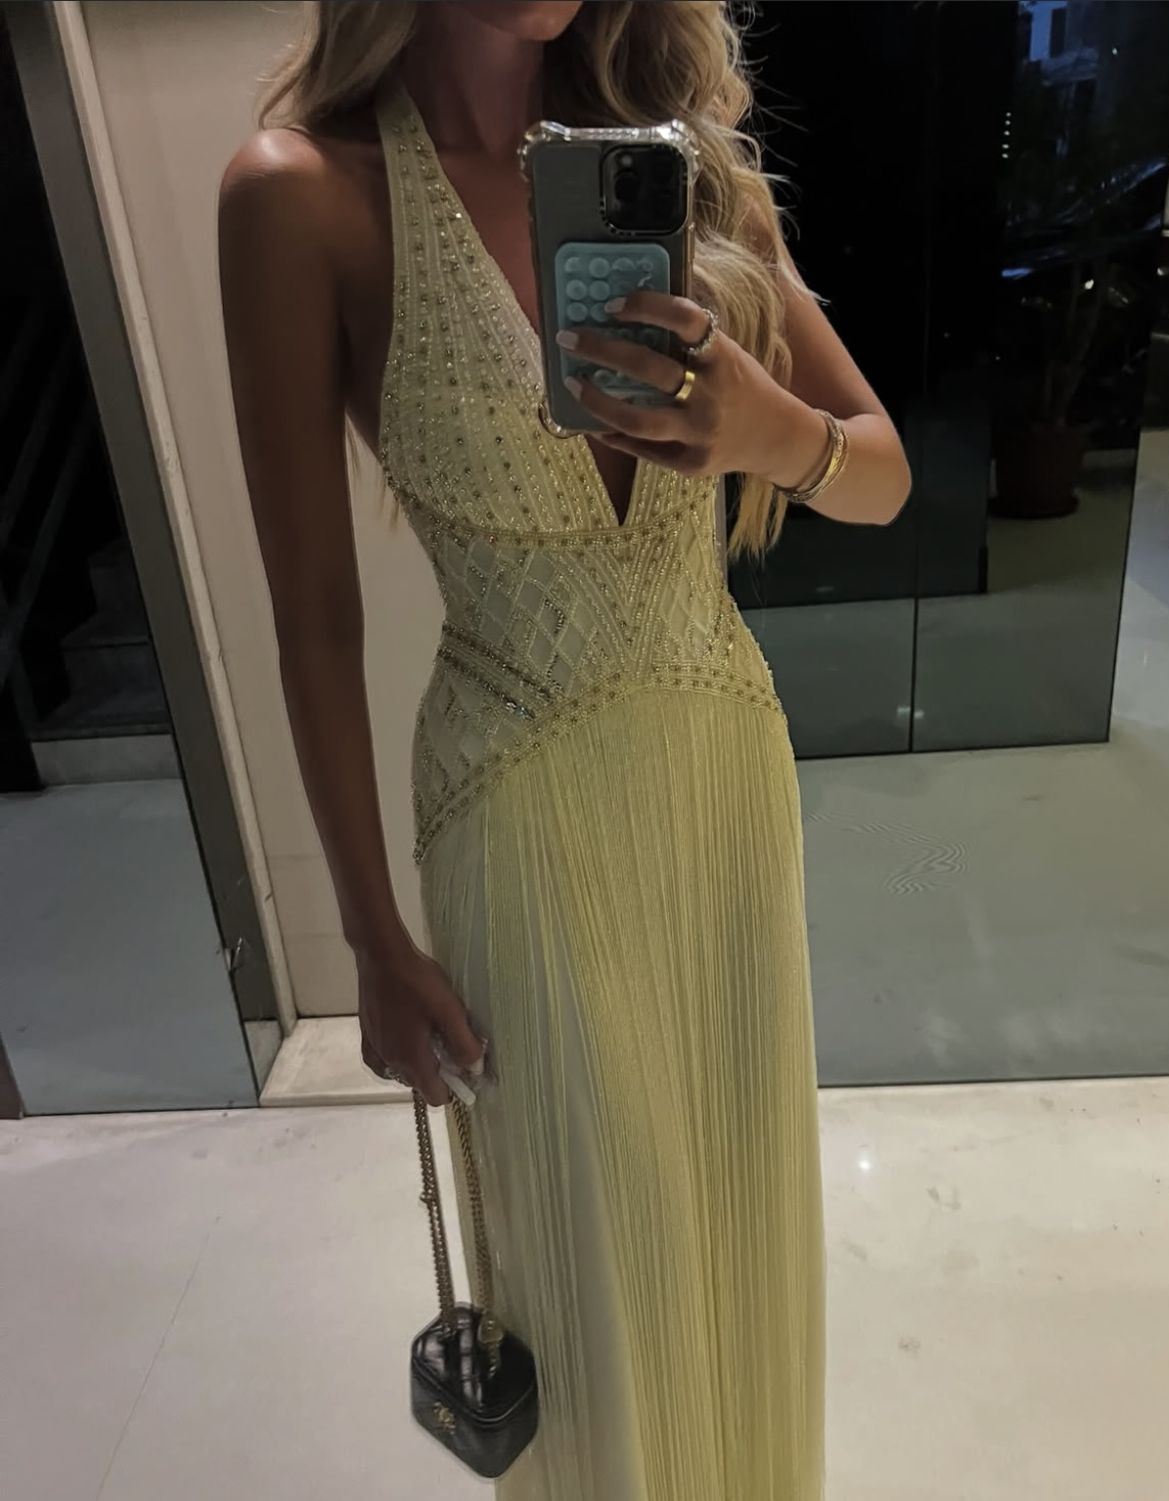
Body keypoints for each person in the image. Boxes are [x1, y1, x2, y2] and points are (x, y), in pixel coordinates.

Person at [218, 2, 910, 1496]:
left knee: (738, 1233)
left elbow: (881, 475)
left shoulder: (692, 178)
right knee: (590, 1276)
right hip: (518, 796)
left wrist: (766, 432)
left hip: (724, 773)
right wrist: (370, 938)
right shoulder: (304, 195)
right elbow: (315, 620)